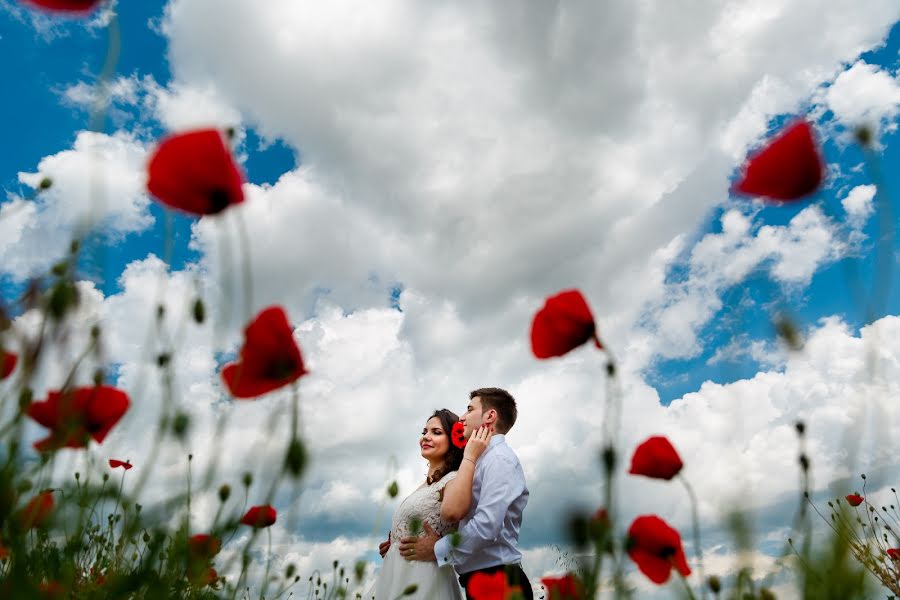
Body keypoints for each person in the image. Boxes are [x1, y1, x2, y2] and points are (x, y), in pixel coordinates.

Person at [399, 388, 532, 600]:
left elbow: (487, 526)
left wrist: (436, 548)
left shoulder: (499, 459)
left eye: (469, 409)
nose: (462, 417)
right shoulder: (480, 460)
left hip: (499, 581)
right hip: (482, 580)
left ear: (490, 416)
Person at [368, 408, 493, 599]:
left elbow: (454, 512)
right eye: (424, 432)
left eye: (436, 432)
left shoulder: (452, 479)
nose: (426, 437)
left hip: (423, 576)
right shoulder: (424, 486)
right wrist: (395, 545)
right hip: (399, 573)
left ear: (453, 440)